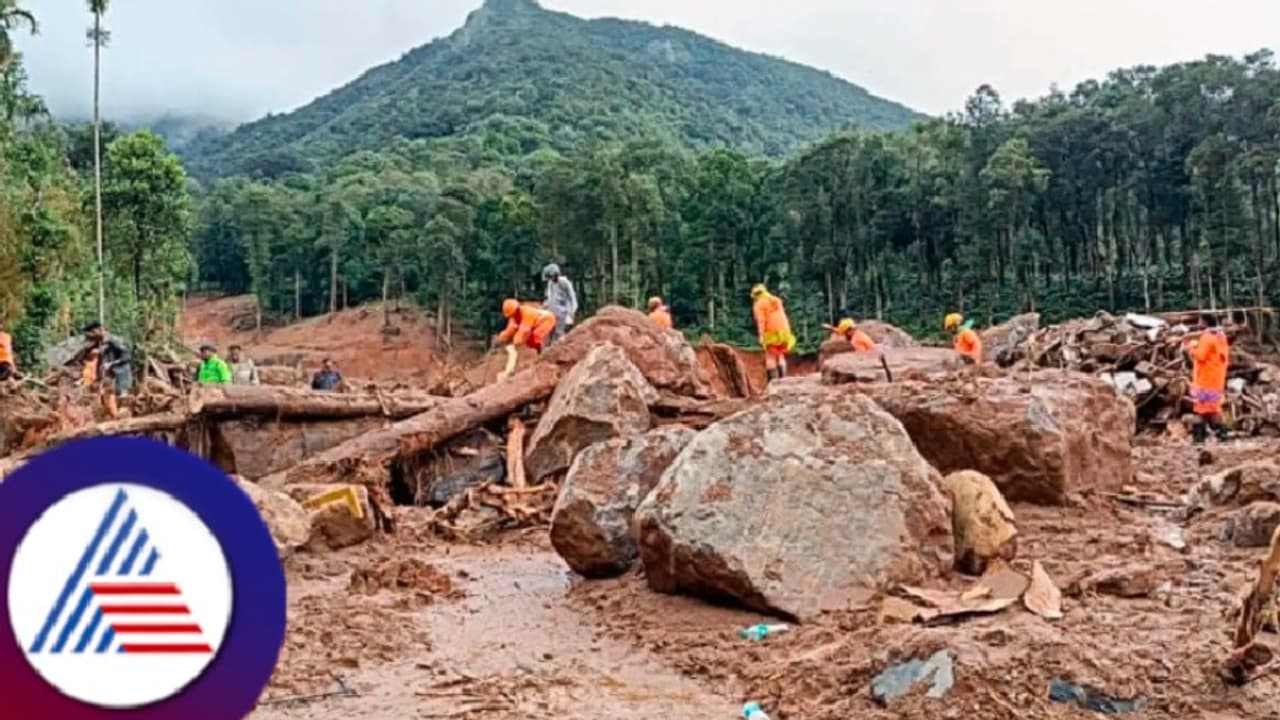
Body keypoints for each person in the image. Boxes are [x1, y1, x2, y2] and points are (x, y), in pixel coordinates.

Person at [1183, 313, 1230, 444]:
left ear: (1205, 323)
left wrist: (1191, 347)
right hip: (1216, 378)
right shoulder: (1221, 336)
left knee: (1201, 409)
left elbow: (1201, 356)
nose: (1198, 324)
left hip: (1206, 379)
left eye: (1199, 321)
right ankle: (1220, 434)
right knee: (1211, 408)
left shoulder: (1207, 337)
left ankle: (1201, 437)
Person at [84, 321, 132, 420]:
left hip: (121, 375)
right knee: (108, 397)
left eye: (93, 333)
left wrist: (112, 363)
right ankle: (114, 418)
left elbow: (127, 356)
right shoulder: (101, 343)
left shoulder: (115, 341)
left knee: (123, 399)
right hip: (110, 377)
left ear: (99, 330)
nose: (92, 336)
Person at [751, 284, 795, 384]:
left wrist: (761, 335)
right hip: (785, 331)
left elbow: (761, 321)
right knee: (780, 355)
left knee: (770, 356)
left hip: (772, 332)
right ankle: (784, 381)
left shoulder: (759, 304)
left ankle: (773, 384)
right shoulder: (776, 300)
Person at [541, 263, 578, 347]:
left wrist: (571, 312)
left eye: (550, 277)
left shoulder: (564, 282)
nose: (550, 279)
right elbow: (550, 297)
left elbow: (572, 298)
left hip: (563, 312)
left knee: (559, 334)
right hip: (553, 312)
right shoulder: (550, 284)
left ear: (555, 275)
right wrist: (545, 306)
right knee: (548, 333)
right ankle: (546, 352)